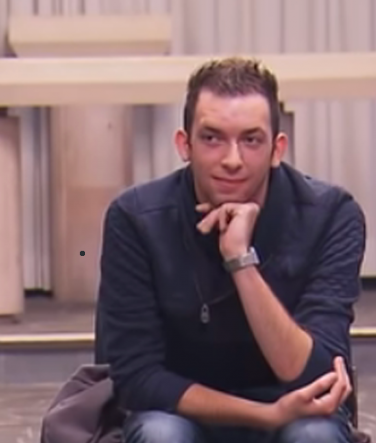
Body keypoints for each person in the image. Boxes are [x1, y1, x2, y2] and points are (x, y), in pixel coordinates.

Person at [96, 56, 366, 443]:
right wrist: (265, 416)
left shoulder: (331, 215)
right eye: (212, 138)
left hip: (297, 403)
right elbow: (137, 379)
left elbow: (315, 375)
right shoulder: (136, 218)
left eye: (251, 140)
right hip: (179, 406)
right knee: (160, 435)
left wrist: (241, 261)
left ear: (277, 149)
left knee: (315, 436)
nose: (232, 160)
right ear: (184, 145)